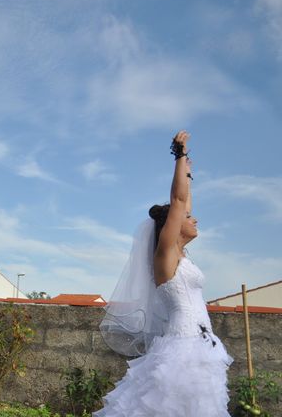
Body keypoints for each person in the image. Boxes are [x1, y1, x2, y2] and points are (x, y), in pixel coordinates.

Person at [96, 131, 232, 416]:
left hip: (202, 346)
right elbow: (178, 200)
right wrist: (179, 155)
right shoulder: (165, 256)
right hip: (182, 348)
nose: (195, 219)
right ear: (172, 225)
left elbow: (184, 203)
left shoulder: (182, 256)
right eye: (187, 218)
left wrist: (189, 175)